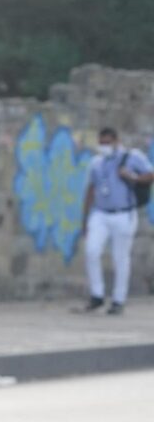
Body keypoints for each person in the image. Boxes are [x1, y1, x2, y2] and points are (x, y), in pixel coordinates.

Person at [77, 127, 154, 315]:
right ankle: (97, 295)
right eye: (101, 143)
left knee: (120, 257)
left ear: (116, 141)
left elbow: (151, 174)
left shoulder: (131, 157)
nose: (104, 146)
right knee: (92, 251)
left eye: (107, 142)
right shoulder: (96, 162)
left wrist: (132, 176)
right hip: (101, 213)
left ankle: (118, 299)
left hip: (123, 213)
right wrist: (85, 219)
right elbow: (91, 189)